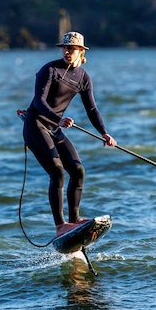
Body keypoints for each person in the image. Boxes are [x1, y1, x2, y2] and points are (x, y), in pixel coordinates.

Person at [22, 31, 116, 236]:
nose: (66, 51)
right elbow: (39, 101)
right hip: (36, 125)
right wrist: (59, 119)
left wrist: (104, 133)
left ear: (81, 51)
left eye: (71, 49)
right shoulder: (50, 69)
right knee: (57, 172)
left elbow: (92, 109)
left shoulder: (83, 78)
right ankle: (60, 226)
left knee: (78, 170)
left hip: (54, 128)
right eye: (64, 48)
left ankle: (74, 221)